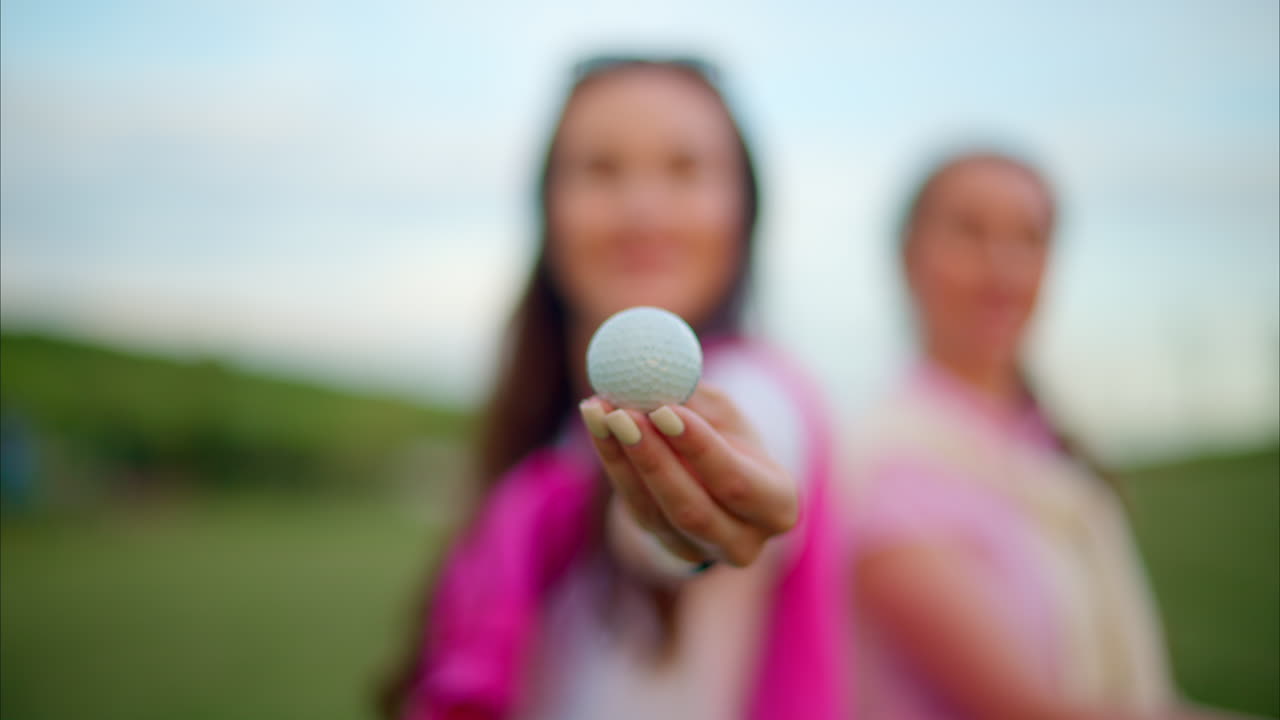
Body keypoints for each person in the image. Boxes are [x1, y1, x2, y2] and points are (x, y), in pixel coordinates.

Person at [380, 57, 847, 720]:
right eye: (601, 168)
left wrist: (688, 526)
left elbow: (679, 518)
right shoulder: (553, 435)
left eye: (684, 169)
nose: (643, 209)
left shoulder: (760, 390)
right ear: (548, 205)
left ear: (744, 209)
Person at [842, 150, 1240, 720]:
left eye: (1029, 238)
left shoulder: (1044, 446)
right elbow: (1026, 708)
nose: (1002, 268)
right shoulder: (888, 464)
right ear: (909, 257)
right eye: (969, 232)